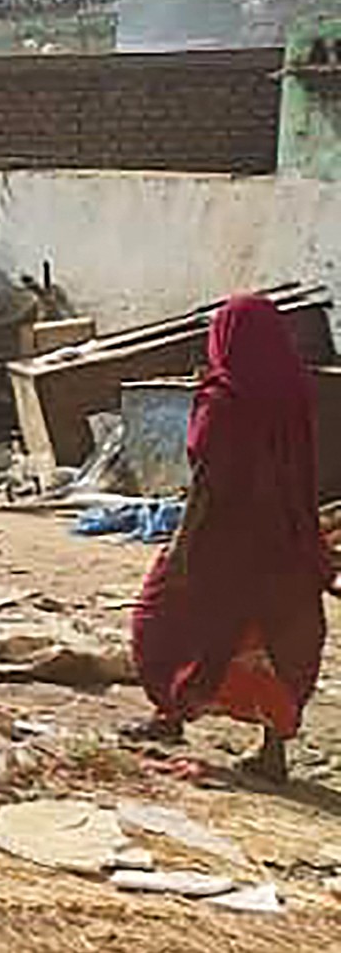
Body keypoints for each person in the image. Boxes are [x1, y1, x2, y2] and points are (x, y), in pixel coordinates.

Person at [126, 294, 339, 782]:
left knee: (161, 621)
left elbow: (208, 480)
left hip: (224, 538)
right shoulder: (296, 392)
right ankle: (272, 751)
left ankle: (171, 714)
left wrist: (182, 546)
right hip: (286, 537)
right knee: (279, 639)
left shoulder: (223, 397)